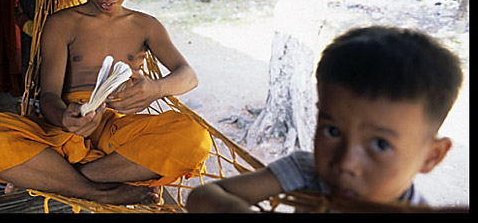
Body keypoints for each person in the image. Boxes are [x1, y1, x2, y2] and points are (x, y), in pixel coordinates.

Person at [0, 0, 212, 205]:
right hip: (63, 129)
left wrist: (156, 89)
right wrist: (66, 117)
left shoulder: (146, 26)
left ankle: (55, 178)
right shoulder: (62, 23)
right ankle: (97, 190)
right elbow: (49, 94)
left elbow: (188, 75)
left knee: (195, 138)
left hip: (118, 132)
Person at [187, 26, 463, 213]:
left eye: (380, 144)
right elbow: (201, 197)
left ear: (431, 156)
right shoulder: (308, 173)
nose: (345, 164)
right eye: (332, 131)